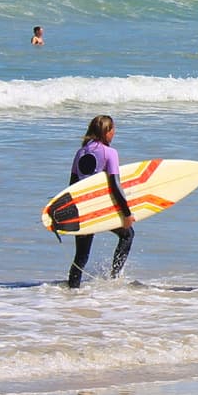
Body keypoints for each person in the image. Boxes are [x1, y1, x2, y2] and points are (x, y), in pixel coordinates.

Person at [65, 114, 133, 289]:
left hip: (81, 208)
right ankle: (114, 277)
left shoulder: (80, 152)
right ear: (106, 131)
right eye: (113, 129)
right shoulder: (110, 153)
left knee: (81, 255)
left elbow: (72, 185)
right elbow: (115, 186)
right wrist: (126, 213)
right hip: (100, 208)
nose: (114, 133)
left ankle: (71, 292)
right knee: (127, 234)